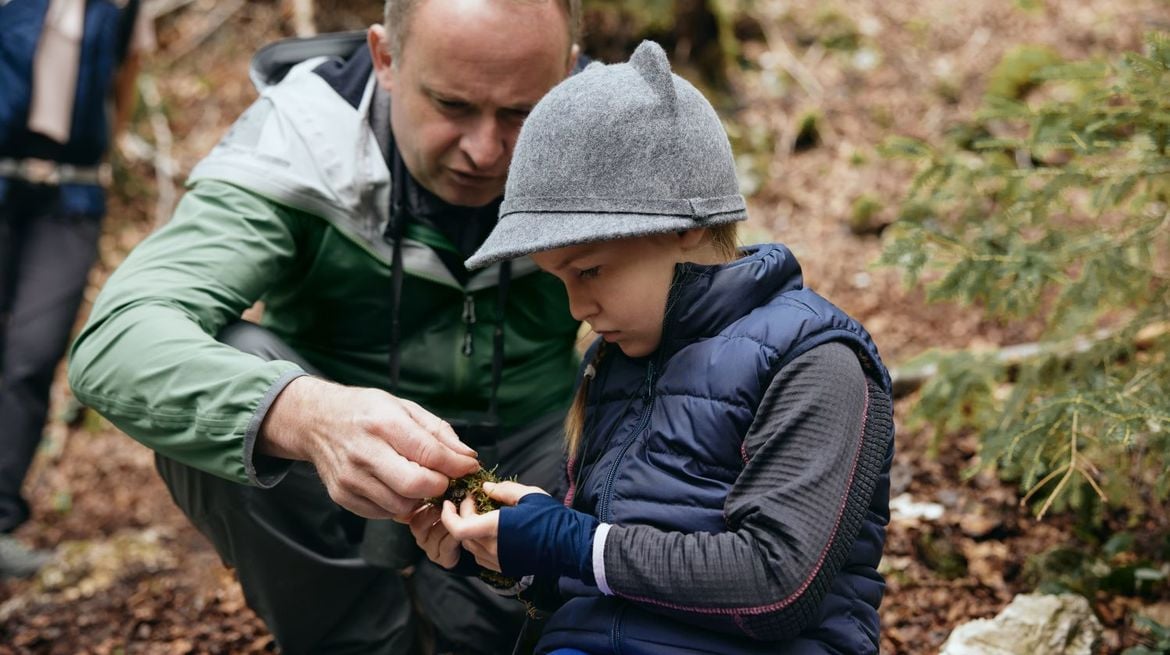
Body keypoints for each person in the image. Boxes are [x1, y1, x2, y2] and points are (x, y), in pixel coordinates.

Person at [67, 1, 584, 653]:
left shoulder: (617, 136)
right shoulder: (303, 138)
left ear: (566, 75)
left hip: (534, 453)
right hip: (327, 482)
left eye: (520, 113)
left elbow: (724, 326)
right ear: (386, 58)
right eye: (452, 105)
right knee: (232, 364)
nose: (485, 150)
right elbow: (118, 337)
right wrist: (307, 415)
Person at [416, 41, 896, 654]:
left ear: (683, 225)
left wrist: (570, 542)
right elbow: (605, 570)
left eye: (589, 271)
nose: (575, 309)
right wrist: (504, 549)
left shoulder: (815, 360)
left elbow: (777, 585)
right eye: (557, 279)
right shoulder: (615, 362)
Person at [0, 0, 151, 579]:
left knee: (31, 357)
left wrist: (108, 150)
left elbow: (125, 75)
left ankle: (1, 524)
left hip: (72, 198)